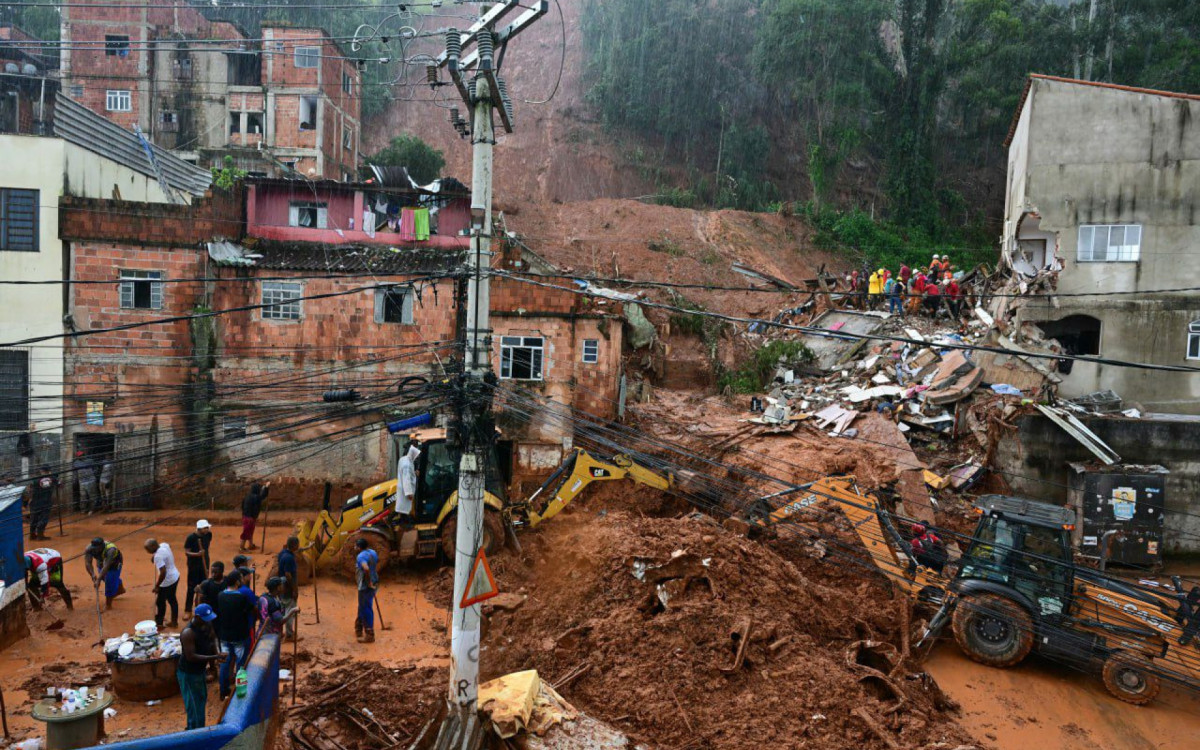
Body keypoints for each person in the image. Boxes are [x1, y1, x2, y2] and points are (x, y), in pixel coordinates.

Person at [177, 603, 225, 730]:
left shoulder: (206, 624)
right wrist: (214, 658)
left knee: (201, 700)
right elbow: (191, 656)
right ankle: (193, 731)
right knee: (193, 706)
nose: (208, 622)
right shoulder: (188, 633)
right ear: (197, 617)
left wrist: (217, 654)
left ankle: (199, 729)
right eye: (205, 619)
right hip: (188, 674)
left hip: (199, 671)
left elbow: (213, 638)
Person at [216, 571, 255, 699]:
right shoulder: (241, 597)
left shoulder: (220, 596)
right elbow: (251, 609)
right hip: (240, 636)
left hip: (225, 635)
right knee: (241, 664)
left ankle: (224, 691)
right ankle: (241, 691)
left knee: (225, 664)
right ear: (237, 582)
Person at [146, 538, 180, 629]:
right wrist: (154, 555)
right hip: (175, 576)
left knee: (160, 602)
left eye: (148, 549)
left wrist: (157, 586)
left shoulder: (158, 556)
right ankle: (174, 622)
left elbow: (163, 572)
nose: (147, 551)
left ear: (154, 546)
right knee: (172, 600)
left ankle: (159, 624)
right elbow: (167, 547)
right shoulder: (164, 545)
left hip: (167, 581)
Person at [183, 520, 213, 617]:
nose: (208, 529)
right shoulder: (191, 538)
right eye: (206, 528)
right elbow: (187, 552)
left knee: (203, 587)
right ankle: (188, 610)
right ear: (200, 529)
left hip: (205, 564)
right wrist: (197, 554)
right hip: (193, 566)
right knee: (191, 587)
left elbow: (206, 547)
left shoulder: (208, 535)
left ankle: (200, 607)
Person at [84, 537, 124, 609]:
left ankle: (108, 605)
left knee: (109, 581)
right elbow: (88, 563)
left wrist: (98, 580)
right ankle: (120, 589)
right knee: (104, 577)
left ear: (102, 546)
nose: (95, 550)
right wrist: (93, 575)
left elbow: (106, 567)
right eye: (93, 548)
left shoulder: (111, 550)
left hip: (114, 563)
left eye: (96, 548)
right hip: (101, 561)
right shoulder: (89, 549)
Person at [353, 537, 379, 643]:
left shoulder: (360, 557)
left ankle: (369, 634)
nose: (354, 547)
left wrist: (368, 582)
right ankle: (358, 627)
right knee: (363, 605)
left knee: (366, 607)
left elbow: (366, 568)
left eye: (355, 546)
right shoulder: (372, 552)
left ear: (359, 547)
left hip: (366, 585)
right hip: (375, 580)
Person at [277, 537, 300, 640]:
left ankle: (280, 632)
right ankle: (289, 635)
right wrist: (294, 589)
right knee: (290, 611)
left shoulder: (282, 553)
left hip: (281, 587)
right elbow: (288, 575)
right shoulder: (290, 558)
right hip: (288, 588)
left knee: (282, 610)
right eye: (298, 544)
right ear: (294, 545)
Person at [240, 482, 270, 552]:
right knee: (246, 532)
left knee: (250, 531)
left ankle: (250, 545)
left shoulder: (248, 496)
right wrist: (266, 487)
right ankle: (241, 547)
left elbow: (242, 506)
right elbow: (263, 496)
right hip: (249, 518)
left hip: (247, 517)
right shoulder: (255, 497)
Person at [28, 465, 55, 541]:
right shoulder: (52, 479)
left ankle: (32, 535)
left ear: (41, 471)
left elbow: (29, 489)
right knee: (43, 518)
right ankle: (40, 535)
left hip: (34, 502)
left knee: (34, 518)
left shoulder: (35, 480)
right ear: (49, 471)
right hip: (45, 502)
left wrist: (30, 499)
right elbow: (60, 484)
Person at [397, 442, 421, 518]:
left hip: (401, 487)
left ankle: (404, 518)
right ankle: (405, 522)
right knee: (405, 508)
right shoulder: (407, 463)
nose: (416, 457)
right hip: (406, 490)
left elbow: (405, 472)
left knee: (403, 507)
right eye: (416, 455)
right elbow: (406, 478)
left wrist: (414, 472)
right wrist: (409, 493)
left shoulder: (404, 459)